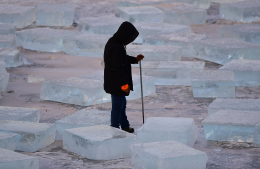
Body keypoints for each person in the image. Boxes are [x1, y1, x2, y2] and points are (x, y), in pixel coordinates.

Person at [103, 21, 144, 133]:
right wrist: (124, 84)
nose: (129, 41)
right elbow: (118, 67)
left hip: (114, 82)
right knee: (117, 108)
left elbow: (122, 58)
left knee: (121, 105)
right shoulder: (116, 46)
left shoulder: (115, 43)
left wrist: (135, 59)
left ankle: (125, 126)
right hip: (116, 83)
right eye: (130, 38)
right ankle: (115, 130)